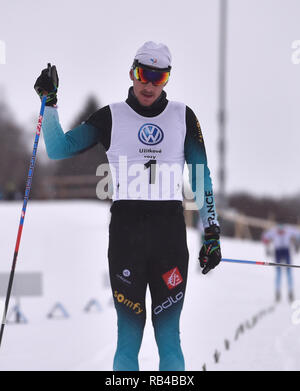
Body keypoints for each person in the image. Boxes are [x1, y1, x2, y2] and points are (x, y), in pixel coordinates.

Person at [34, 41, 222, 371]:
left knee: (169, 339)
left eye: (158, 78)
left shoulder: (183, 116)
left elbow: (200, 178)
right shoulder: (110, 117)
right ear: (132, 73)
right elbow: (59, 149)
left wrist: (212, 234)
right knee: (128, 340)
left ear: (167, 79)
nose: (148, 85)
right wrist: (49, 104)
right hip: (126, 240)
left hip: (169, 239)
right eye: (142, 74)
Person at [262, 223, 300, 303]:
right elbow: (265, 237)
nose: (281, 231)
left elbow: (298, 235)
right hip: (278, 252)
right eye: (279, 229)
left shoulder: (288, 229)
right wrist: (267, 246)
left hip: (286, 251)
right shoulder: (273, 230)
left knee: (289, 272)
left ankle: (290, 292)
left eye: (282, 230)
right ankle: (277, 292)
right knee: (278, 272)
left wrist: (297, 243)